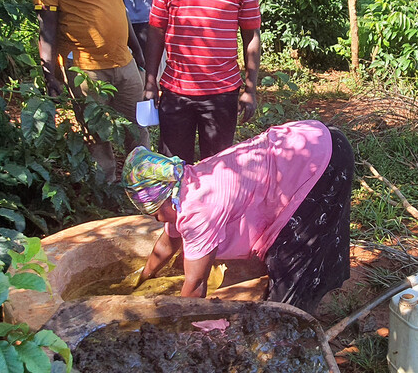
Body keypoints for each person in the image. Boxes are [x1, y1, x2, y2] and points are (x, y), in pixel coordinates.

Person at [123, 120, 354, 313]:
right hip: (307, 140)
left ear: (163, 200)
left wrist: (180, 324)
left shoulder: (198, 209)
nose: (154, 219)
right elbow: (166, 244)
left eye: (152, 212)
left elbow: (196, 283)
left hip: (322, 158)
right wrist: (143, 277)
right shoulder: (183, 184)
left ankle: (295, 325)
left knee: (291, 258)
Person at [31, 0, 151, 183]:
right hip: (84, 67)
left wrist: (139, 55)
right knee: (97, 135)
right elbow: (47, 25)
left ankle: (145, 184)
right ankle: (105, 191)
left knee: (140, 126)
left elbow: (119, 8)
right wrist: (50, 74)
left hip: (124, 61)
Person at [142, 0, 262, 164]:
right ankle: (179, 206)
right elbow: (156, 32)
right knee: (173, 167)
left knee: (217, 167)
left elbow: (251, 37)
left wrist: (250, 88)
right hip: (175, 93)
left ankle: (214, 207)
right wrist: (150, 82)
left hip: (221, 95)